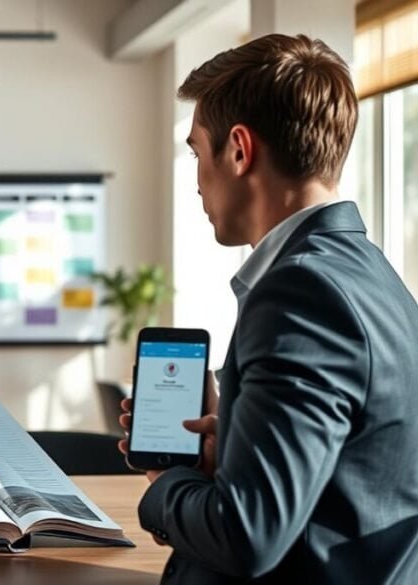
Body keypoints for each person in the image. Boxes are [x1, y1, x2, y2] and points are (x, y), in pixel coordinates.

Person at [118, 33, 418, 583]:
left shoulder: (302, 293)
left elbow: (247, 533)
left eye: (196, 153)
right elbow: (341, 483)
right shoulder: (370, 274)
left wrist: (165, 489)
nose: (197, 183)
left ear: (238, 150)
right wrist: (230, 441)